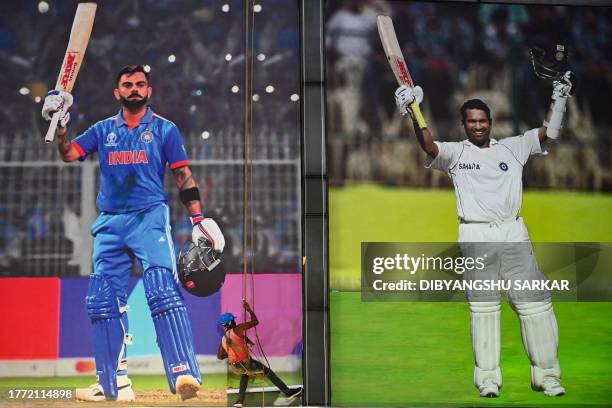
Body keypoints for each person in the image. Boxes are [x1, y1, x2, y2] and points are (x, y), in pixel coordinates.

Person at [41, 65, 226, 402]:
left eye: (141, 84)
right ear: (118, 92)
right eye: (128, 85)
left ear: (149, 91)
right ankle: (113, 384)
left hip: (149, 218)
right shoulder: (102, 129)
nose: (135, 89)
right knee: (101, 301)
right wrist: (62, 124)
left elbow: (183, 175)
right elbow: (69, 154)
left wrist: (198, 218)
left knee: (161, 290)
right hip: (110, 222)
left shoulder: (165, 130)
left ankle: (184, 371)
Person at [394, 69, 575, 398]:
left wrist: (559, 97)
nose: (478, 126)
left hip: (514, 233)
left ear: (490, 121)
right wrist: (413, 113)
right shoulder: (455, 153)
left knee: (535, 306)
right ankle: (488, 379)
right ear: (464, 124)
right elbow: (429, 145)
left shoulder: (513, 147)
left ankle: (547, 376)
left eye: (483, 121)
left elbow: (549, 131)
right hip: (476, 236)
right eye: (472, 121)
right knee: (484, 309)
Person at [217, 301, 302, 408]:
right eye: (233, 320)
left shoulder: (223, 339)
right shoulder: (238, 329)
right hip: (247, 363)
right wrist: (248, 309)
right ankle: (288, 392)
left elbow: (220, 356)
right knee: (269, 373)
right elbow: (255, 321)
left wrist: (231, 353)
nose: (235, 321)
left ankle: (239, 400)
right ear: (230, 323)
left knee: (245, 375)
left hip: (235, 366)